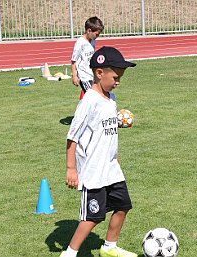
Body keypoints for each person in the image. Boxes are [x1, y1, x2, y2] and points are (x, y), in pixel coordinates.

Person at [60, 46, 137, 257]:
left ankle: (109, 247)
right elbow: (72, 136)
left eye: (121, 77)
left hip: (111, 168)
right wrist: (71, 169)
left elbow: (109, 134)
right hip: (94, 171)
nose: (118, 81)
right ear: (99, 73)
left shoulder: (110, 98)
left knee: (123, 206)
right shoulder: (89, 102)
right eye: (116, 76)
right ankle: (70, 253)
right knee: (92, 217)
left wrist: (116, 158)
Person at [71, 16, 104, 100]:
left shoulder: (92, 41)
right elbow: (73, 61)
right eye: (97, 34)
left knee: (96, 95)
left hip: (91, 74)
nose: (98, 36)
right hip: (84, 76)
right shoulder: (80, 43)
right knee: (93, 97)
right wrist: (74, 76)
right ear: (89, 30)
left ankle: (85, 111)